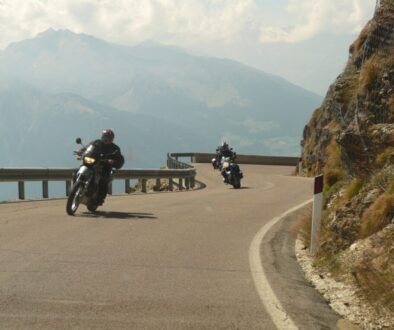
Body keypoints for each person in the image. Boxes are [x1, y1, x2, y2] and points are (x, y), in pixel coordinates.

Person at [77, 129, 125, 205]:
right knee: (77, 170)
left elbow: (119, 158)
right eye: (104, 137)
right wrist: (81, 151)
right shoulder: (96, 142)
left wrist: (113, 161)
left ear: (111, 139)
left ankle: (100, 198)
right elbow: (88, 147)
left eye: (108, 138)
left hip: (104, 166)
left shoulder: (115, 148)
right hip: (93, 162)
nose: (105, 139)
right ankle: (77, 186)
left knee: (103, 180)